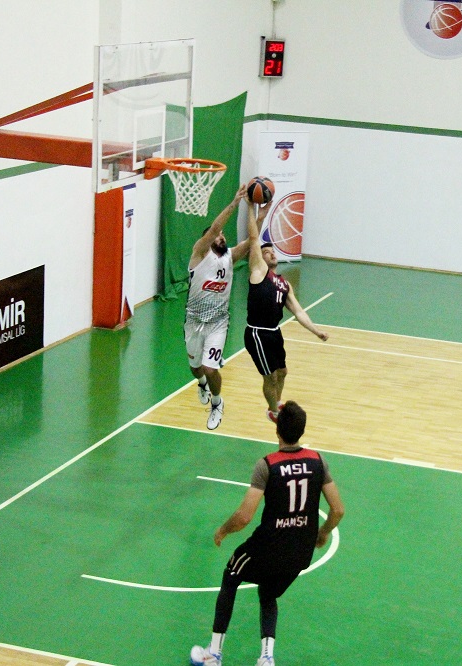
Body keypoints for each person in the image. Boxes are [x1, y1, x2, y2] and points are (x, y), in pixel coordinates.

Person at [190, 401, 345, 666]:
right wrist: (323, 533)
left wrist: (222, 530)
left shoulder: (267, 465)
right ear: (302, 430)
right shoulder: (318, 462)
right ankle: (266, 658)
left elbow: (244, 517)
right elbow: (338, 509)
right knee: (268, 593)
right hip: (300, 553)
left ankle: (214, 654)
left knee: (231, 576)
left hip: (269, 547)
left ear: (277, 430)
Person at [243, 203, 329, 423]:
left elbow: (299, 312)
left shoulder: (284, 284)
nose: (271, 253)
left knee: (282, 372)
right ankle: (273, 411)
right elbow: (253, 238)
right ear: (259, 258)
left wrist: (316, 331)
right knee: (270, 376)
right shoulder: (259, 271)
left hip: (274, 332)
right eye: (266, 252)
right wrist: (253, 209)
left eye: (272, 251)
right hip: (258, 333)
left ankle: (277, 403)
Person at [185, 184, 249, 430]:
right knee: (196, 368)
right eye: (218, 235)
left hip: (218, 323)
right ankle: (201, 383)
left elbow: (252, 241)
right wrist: (234, 203)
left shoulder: (229, 258)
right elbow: (213, 229)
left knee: (210, 368)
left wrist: (259, 213)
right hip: (193, 321)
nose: (222, 236)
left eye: (223, 235)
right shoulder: (200, 254)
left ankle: (217, 402)